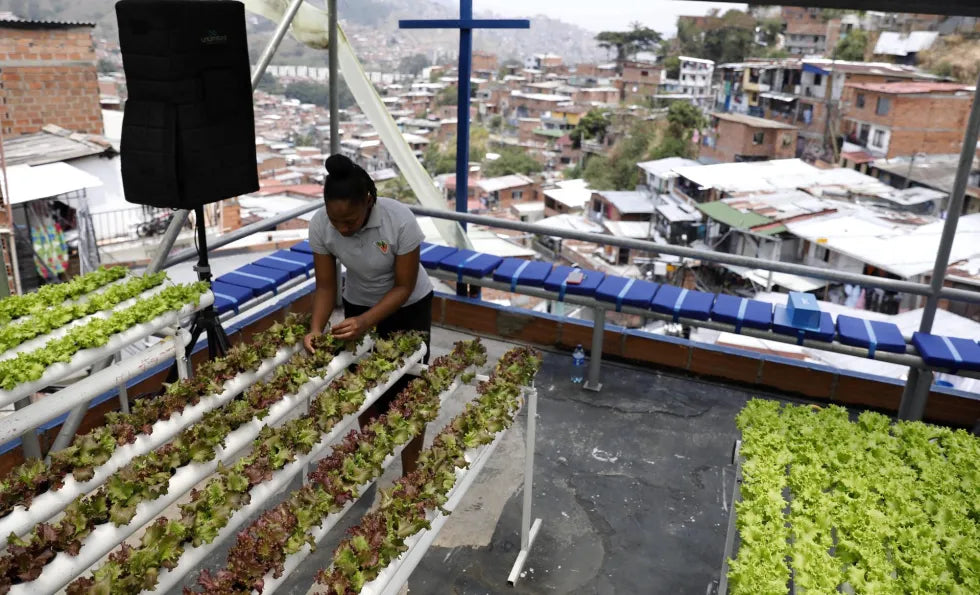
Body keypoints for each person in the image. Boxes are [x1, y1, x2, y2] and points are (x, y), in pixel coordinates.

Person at [303, 154, 433, 474]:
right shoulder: (320, 225)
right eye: (335, 221)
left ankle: (411, 475)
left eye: (350, 221)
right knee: (364, 388)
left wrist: (365, 322)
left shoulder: (398, 220)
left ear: (369, 201)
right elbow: (325, 286)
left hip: (409, 306)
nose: (342, 228)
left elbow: (404, 286)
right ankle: (372, 462)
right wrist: (316, 328)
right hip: (358, 303)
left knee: (409, 395)